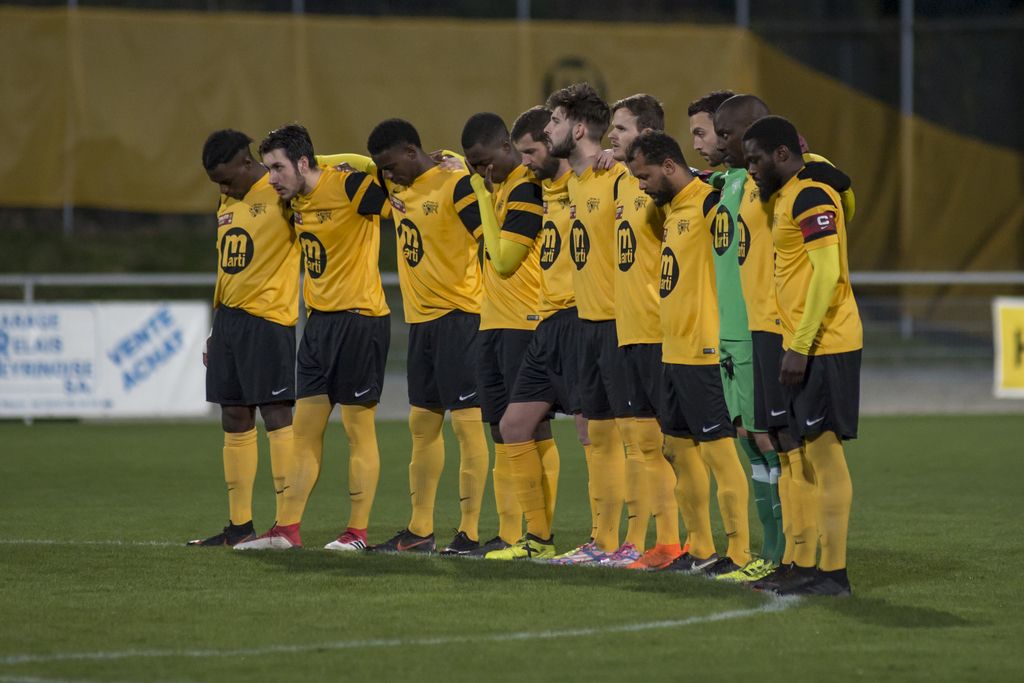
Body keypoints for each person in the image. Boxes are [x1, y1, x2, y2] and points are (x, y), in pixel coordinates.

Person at [713, 95, 856, 581]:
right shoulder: (782, 196)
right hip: (790, 337)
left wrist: (800, 344)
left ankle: (832, 573)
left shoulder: (812, 191)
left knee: (823, 454)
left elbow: (827, 273)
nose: (749, 168)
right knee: (794, 454)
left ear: (780, 153)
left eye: (755, 159)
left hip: (822, 342)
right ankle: (800, 562)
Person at [232, 124, 391, 552]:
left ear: (304, 162)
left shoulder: (352, 186)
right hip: (319, 327)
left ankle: (356, 533)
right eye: (268, 169)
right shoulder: (295, 201)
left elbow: (395, 188)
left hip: (361, 321)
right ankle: (286, 529)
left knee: (359, 431)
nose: (272, 178)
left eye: (278, 167)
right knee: (304, 433)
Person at [625, 130, 753, 577]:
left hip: (704, 348)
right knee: (677, 449)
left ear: (667, 166)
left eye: (644, 177)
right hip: (672, 348)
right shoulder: (670, 209)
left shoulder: (706, 202)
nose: (640, 186)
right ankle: (699, 548)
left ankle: (738, 552)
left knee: (718, 452)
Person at [365, 118, 490, 555]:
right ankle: (419, 531)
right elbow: (348, 169)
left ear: (410, 151)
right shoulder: (398, 191)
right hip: (422, 325)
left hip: (461, 318)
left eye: (390, 164)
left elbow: (491, 242)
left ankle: (470, 533)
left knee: (468, 427)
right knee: (423, 426)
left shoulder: (454, 185)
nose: (386, 174)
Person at [189, 129, 298, 547]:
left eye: (226, 178)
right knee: (233, 416)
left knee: (276, 414)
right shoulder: (227, 201)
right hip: (230, 321)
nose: (222, 187)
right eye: (216, 182)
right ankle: (239, 528)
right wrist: (217, 327)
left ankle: (287, 525)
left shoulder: (282, 192)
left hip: (268, 319)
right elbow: (227, 267)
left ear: (247, 163)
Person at [458, 112, 560, 558]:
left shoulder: (524, 188)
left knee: (532, 432)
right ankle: (511, 533)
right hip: (493, 322)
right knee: (502, 433)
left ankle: (540, 533)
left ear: (506, 148)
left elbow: (503, 261)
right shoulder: (501, 187)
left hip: (525, 322)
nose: (481, 172)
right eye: (472, 166)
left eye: (484, 163)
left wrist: (479, 192)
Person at [542, 83, 635, 565]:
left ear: (578, 128)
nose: (547, 129)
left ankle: (641, 541)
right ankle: (603, 541)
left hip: (623, 324)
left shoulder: (619, 177)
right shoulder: (575, 183)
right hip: (586, 323)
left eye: (554, 121)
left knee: (638, 437)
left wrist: (621, 158)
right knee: (593, 435)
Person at [491, 106, 589, 560]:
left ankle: (610, 540)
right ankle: (538, 539)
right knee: (513, 426)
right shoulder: (540, 190)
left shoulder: (589, 180)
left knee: (598, 434)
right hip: (547, 324)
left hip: (585, 320)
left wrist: (610, 157)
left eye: (532, 150)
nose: (526, 160)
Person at [603, 94, 678, 569]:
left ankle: (677, 541)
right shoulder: (621, 181)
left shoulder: (664, 187)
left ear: (647, 135)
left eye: (621, 129)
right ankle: (656, 542)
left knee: (674, 445)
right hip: (627, 328)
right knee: (643, 444)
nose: (612, 136)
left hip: (658, 328)